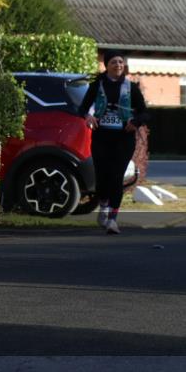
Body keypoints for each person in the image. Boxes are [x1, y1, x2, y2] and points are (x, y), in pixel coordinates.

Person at [77, 50, 150, 234]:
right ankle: (103, 206)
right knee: (102, 177)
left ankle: (112, 219)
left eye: (120, 62)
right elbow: (82, 108)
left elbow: (144, 112)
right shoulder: (97, 85)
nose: (118, 65)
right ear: (106, 65)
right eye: (114, 62)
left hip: (123, 139)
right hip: (101, 138)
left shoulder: (131, 87)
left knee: (117, 177)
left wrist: (136, 122)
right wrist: (88, 116)